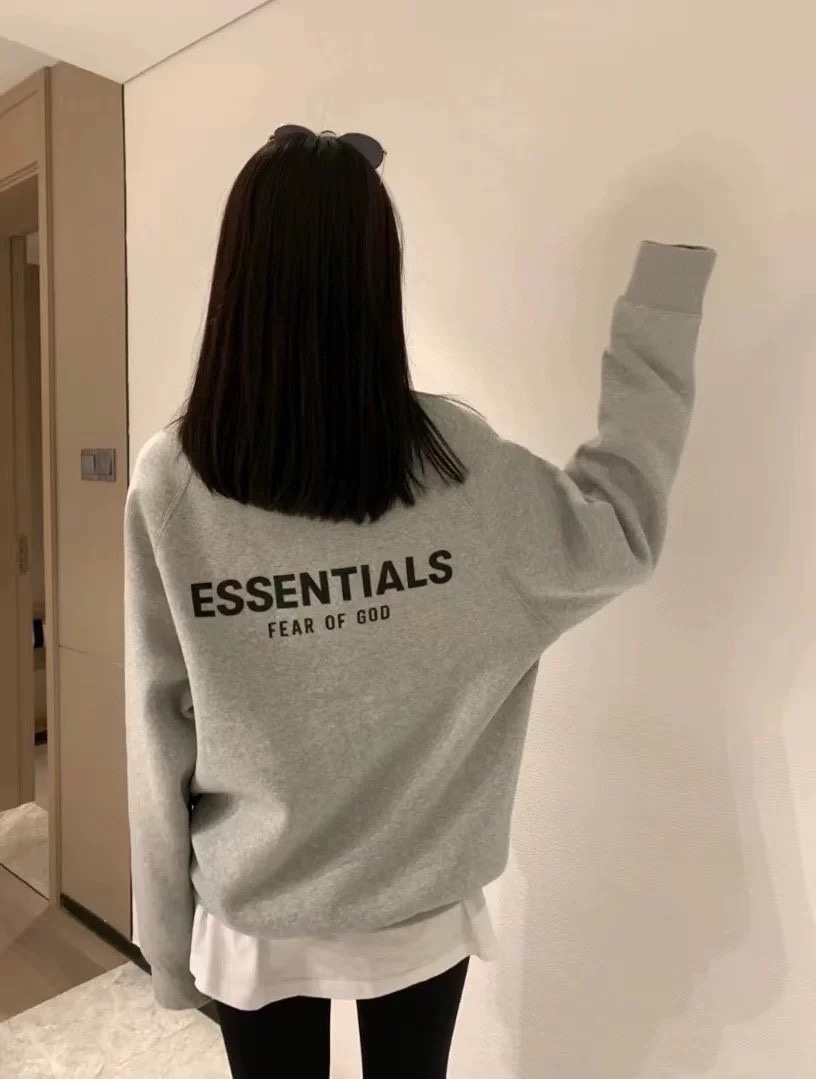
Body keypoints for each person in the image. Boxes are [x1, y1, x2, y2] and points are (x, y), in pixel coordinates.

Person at [124, 126, 716, 1079]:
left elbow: (158, 730)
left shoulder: (174, 478)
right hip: (415, 902)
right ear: (375, 279)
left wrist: (163, 938)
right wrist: (664, 305)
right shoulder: (453, 462)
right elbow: (618, 531)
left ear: (237, 276)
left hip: (257, 910)